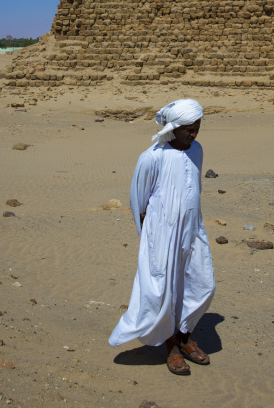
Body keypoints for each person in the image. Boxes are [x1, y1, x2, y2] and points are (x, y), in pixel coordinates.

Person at [109, 99, 215, 375]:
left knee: (202, 285)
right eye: (188, 130)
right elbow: (138, 201)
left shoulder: (197, 150)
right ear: (173, 128)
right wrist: (151, 237)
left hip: (192, 230)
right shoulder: (152, 157)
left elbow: (195, 188)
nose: (194, 134)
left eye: (197, 128)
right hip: (162, 235)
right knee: (164, 290)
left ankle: (184, 332)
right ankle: (172, 346)